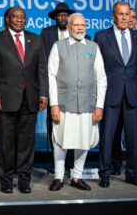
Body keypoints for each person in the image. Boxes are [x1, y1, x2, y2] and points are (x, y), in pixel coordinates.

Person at [0, 6, 48, 194]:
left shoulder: (36, 39)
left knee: (27, 143)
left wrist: (44, 94)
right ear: (7, 19)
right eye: (15, 17)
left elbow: (42, 69)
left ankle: (24, 180)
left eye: (23, 17)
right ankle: (5, 179)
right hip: (5, 101)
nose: (20, 20)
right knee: (6, 142)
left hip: (30, 100)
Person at [48, 13, 107, 191]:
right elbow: (51, 76)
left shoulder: (93, 47)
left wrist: (99, 105)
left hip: (87, 104)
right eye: (76, 25)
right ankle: (58, 177)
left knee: (83, 141)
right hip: (64, 104)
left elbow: (101, 78)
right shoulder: (58, 46)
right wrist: (54, 104)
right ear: (69, 27)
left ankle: (77, 177)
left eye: (83, 24)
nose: (80, 28)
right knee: (61, 141)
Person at [95, 1, 137, 188]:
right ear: (113, 17)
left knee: (133, 138)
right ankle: (105, 173)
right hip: (110, 95)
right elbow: (97, 69)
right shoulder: (101, 36)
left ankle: (132, 173)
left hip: (133, 95)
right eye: (121, 14)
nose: (125, 18)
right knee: (107, 138)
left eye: (127, 14)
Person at [41, 2, 91, 173]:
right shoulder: (46, 34)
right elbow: (44, 63)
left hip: (78, 94)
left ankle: (71, 165)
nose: (62, 17)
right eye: (59, 15)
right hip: (55, 87)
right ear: (55, 18)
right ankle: (54, 165)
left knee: (77, 131)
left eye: (65, 15)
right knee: (55, 127)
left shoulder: (87, 40)